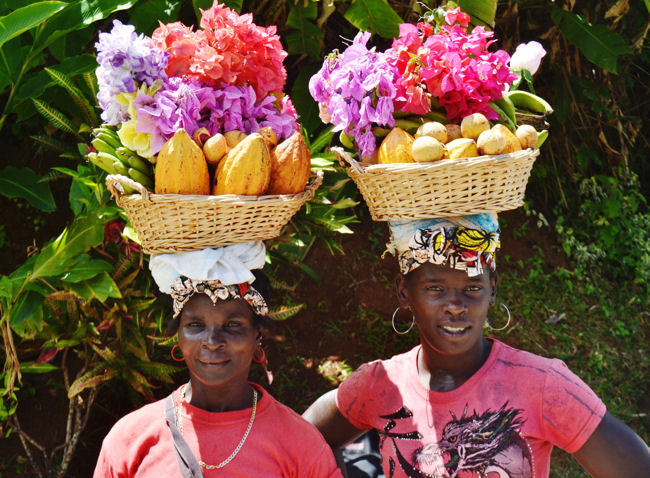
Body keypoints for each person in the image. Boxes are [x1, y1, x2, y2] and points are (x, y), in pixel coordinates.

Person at [303, 214, 650, 478]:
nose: (456, 305)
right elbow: (303, 440)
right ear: (404, 292)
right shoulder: (381, 385)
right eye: (436, 289)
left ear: (493, 289)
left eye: (472, 288)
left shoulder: (541, 385)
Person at [95, 243, 342, 477]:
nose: (212, 340)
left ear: (257, 334)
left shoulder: (301, 445)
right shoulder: (130, 439)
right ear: (178, 336)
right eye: (195, 325)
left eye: (233, 325)